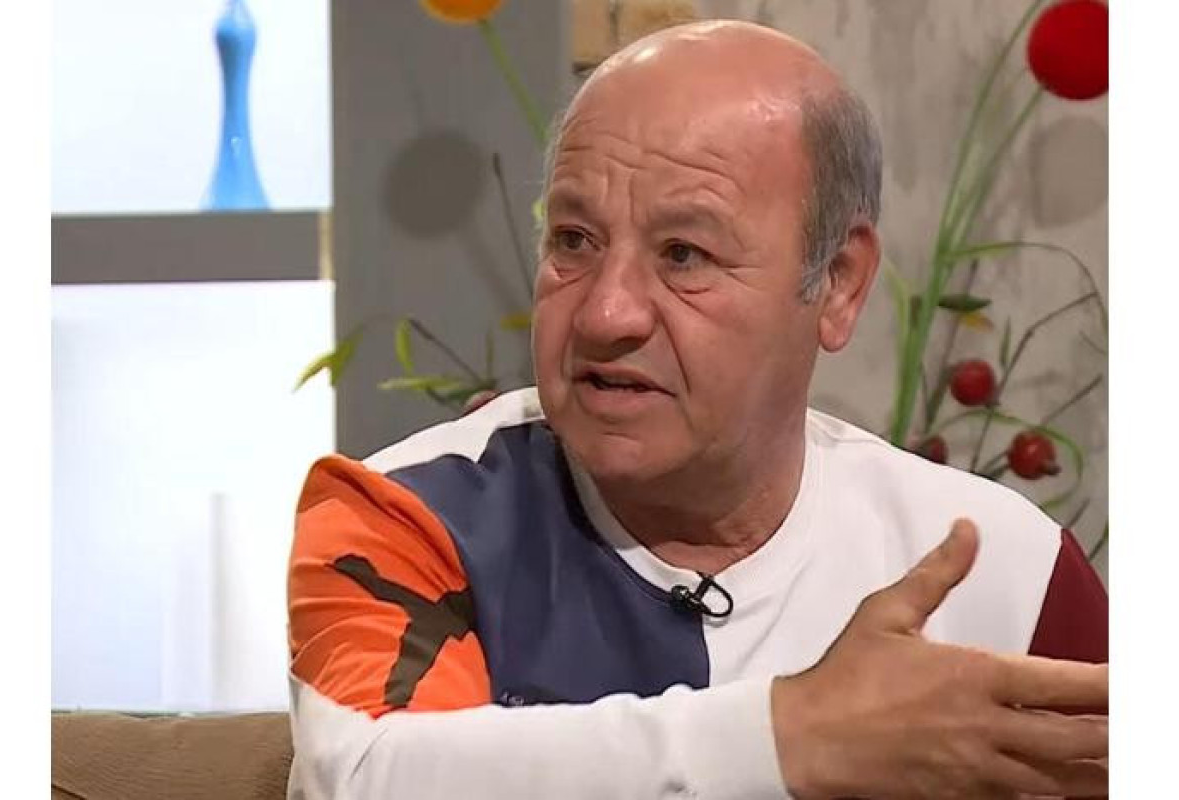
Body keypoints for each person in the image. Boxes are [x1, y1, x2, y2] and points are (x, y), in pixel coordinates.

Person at [286, 20, 1108, 800]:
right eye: (573, 240)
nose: (606, 314)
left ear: (838, 283)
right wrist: (794, 736)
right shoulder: (409, 515)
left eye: (684, 254)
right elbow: (364, 780)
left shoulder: (1005, 569)